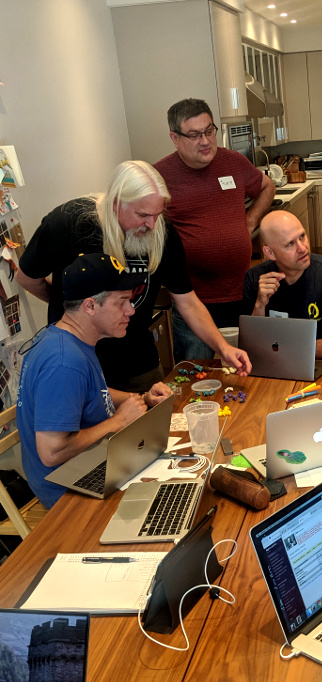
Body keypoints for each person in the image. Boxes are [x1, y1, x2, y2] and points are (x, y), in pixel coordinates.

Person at [17, 160, 250, 392]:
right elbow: (27, 279)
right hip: (78, 364)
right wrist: (73, 306)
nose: (151, 224)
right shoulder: (66, 224)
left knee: (155, 423)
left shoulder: (163, 232)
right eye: (143, 215)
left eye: (158, 214)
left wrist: (223, 347)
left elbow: (187, 301)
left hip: (138, 364)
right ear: (117, 203)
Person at [17, 253, 173, 509]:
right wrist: (117, 422)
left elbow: (90, 391)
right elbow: (51, 452)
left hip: (87, 465)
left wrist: (141, 398)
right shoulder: (64, 362)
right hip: (66, 493)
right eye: (122, 301)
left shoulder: (68, 338)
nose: (131, 310)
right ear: (90, 306)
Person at [154, 98, 276, 361]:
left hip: (242, 293)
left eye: (209, 131)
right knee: (199, 374)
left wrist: (250, 222)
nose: (206, 141)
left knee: (249, 366)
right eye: (195, 135)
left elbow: (267, 186)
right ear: (175, 138)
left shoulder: (233, 162)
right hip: (194, 303)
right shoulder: (158, 176)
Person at [242, 211, 322, 359]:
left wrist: (274, 346)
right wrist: (260, 305)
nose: (302, 248)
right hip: (274, 365)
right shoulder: (255, 278)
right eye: (290, 244)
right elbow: (251, 346)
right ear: (270, 253)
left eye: (302, 236)